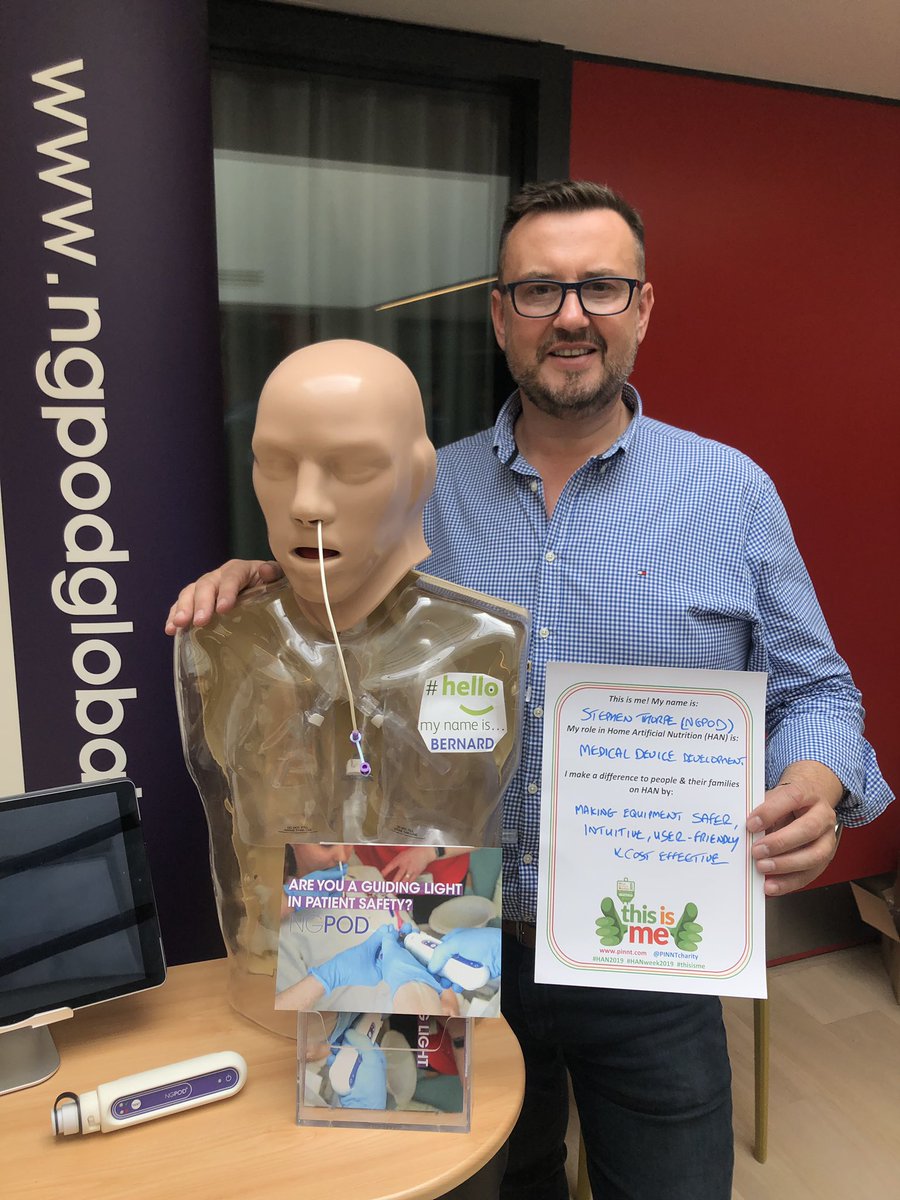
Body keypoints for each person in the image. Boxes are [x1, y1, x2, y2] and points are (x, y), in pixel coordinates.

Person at [167, 182, 893, 1200]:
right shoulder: (419, 491)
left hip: (644, 946)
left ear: (644, 307)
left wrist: (814, 784)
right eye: (539, 290)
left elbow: (819, 690)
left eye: (601, 287)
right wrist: (261, 584)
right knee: (485, 1186)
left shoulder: (730, 493)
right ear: (501, 314)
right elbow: (328, 616)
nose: (571, 315)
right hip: (437, 930)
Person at [174, 338, 527, 1036]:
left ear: (419, 477)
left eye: (354, 467)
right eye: (277, 465)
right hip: (261, 1012)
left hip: (426, 1020)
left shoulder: (484, 645)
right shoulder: (221, 642)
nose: (306, 502)